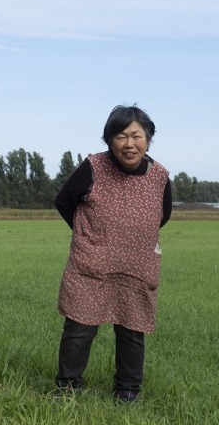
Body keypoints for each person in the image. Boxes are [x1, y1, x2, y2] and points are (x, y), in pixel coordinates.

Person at [54, 105, 173, 402]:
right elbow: (64, 201)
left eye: (137, 136)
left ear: (148, 139)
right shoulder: (93, 166)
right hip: (91, 264)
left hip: (137, 265)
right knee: (80, 328)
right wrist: (87, 234)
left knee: (132, 332)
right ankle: (68, 388)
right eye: (121, 136)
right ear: (109, 140)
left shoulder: (159, 176)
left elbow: (164, 214)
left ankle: (127, 392)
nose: (129, 144)